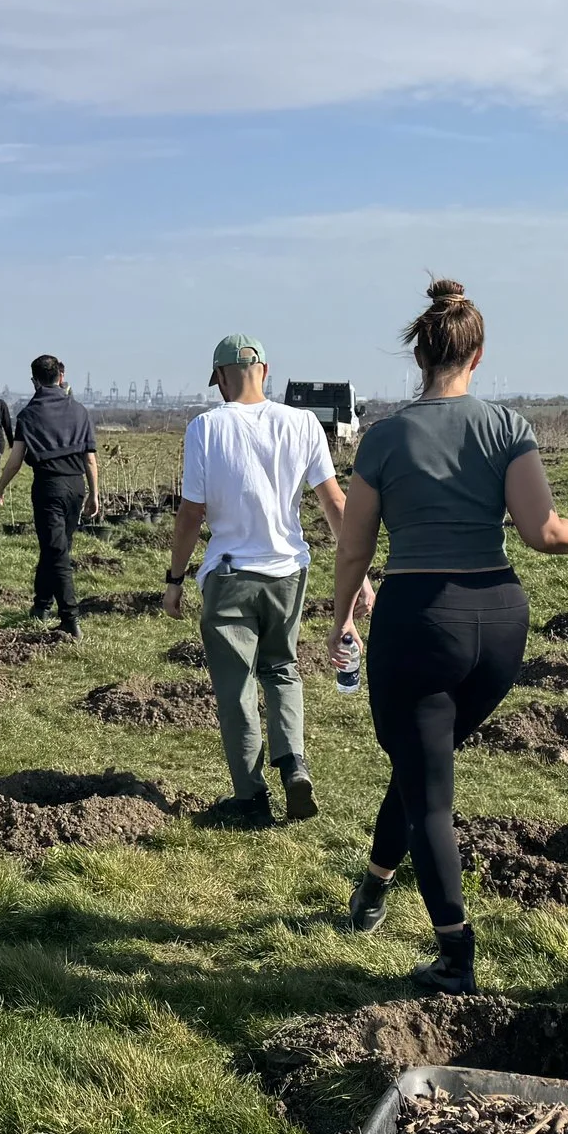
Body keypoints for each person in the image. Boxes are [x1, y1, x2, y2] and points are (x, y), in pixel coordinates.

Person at [332, 279, 568, 993]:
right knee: (420, 766)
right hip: (498, 622)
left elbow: (354, 548)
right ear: (478, 355)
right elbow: (542, 530)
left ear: (419, 354)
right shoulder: (507, 427)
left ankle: (455, 955)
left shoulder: (385, 437)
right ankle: (374, 883)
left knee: (429, 792)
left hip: (417, 619)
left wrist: (342, 616)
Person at [165, 334, 368, 826]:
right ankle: (294, 764)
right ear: (266, 370)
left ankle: (251, 799)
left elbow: (191, 514)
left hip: (230, 574)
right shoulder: (303, 423)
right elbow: (335, 502)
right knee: (282, 669)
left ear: (220, 378)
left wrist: (175, 578)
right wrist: (360, 575)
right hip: (288, 573)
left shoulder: (205, 428)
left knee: (236, 685)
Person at [0, 355, 99, 638]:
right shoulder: (80, 411)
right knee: (57, 548)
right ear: (60, 377)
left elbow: (15, 460)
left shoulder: (28, 414)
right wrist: (94, 493)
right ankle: (41, 605)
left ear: (34, 381)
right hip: (76, 487)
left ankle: (70, 619)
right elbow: (90, 459)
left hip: (48, 487)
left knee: (56, 552)